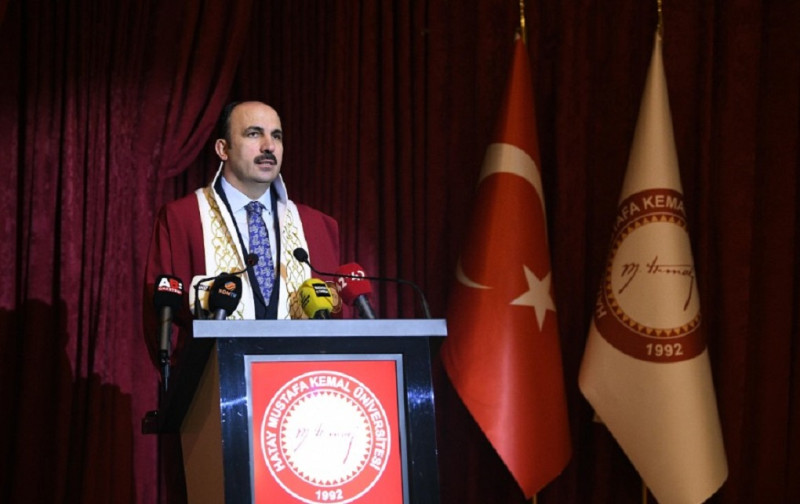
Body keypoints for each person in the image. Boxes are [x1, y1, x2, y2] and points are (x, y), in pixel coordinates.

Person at [143, 100, 342, 366]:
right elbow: (160, 321)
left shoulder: (318, 228)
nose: (269, 146)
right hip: (213, 383)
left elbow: (335, 325)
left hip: (300, 385)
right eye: (254, 134)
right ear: (223, 148)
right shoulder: (182, 219)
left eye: (276, 136)